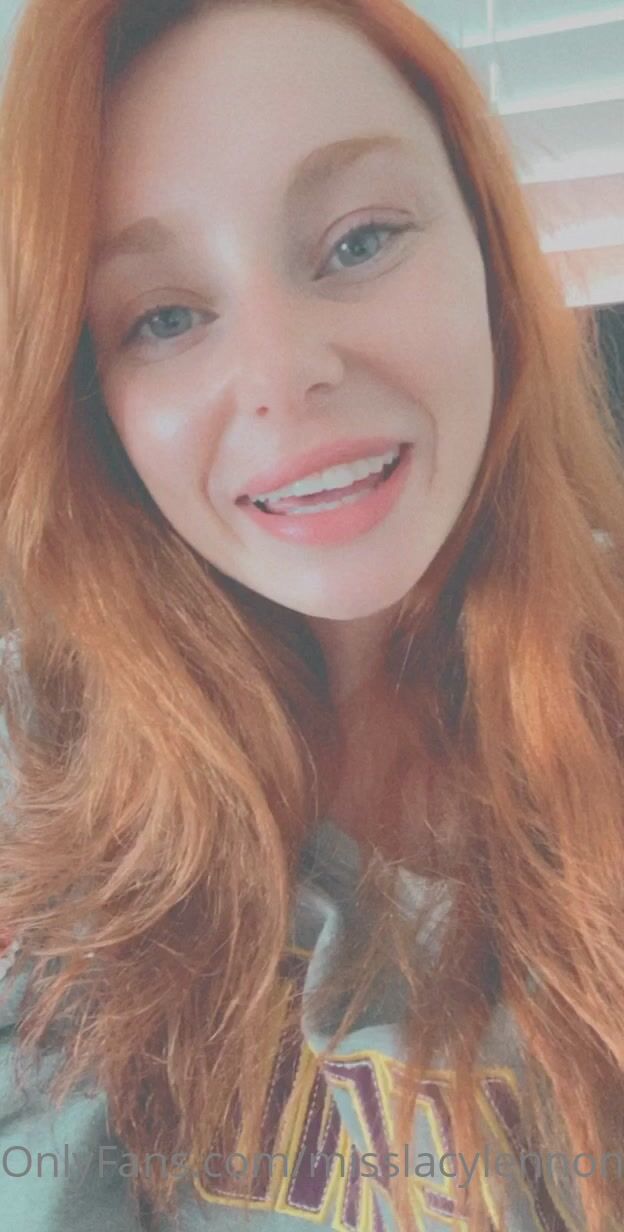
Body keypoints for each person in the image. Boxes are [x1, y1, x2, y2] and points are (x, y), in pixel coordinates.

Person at [0, 0, 623, 1229]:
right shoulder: (29, 755)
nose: (283, 376)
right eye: (164, 316)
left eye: (359, 241)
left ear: (489, 255)